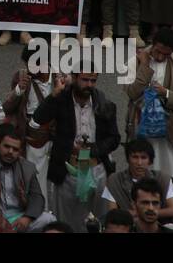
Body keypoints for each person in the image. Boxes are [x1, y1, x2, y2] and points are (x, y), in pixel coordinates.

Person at [32, 70, 120, 227]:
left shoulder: (104, 104)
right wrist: (54, 94)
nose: (89, 85)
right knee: (66, 224)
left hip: (97, 170)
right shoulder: (61, 101)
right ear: (74, 78)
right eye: (85, 79)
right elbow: (38, 118)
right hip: (68, 171)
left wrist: (91, 150)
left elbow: (114, 139)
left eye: (93, 80)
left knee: (103, 221)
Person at [123, 29, 173, 222]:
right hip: (140, 131)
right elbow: (131, 92)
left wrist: (166, 93)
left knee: (170, 180)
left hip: (167, 135)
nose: (161, 57)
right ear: (152, 44)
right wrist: (145, 65)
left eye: (166, 54)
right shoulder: (131, 62)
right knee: (140, 177)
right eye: (158, 52)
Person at [101, 139, 173, 223]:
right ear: (128, 159)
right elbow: (112, 212)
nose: (139, 163)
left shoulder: (162, 178)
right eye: (135, 157)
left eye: (143, 158)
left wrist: (146, 214)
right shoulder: (115, 180)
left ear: (150, 161)